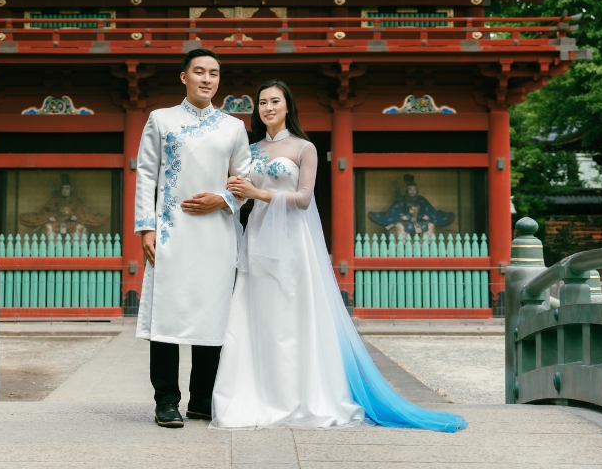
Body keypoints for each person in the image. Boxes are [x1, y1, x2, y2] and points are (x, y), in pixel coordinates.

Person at [213, 79, 468, 432]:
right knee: (257, 312)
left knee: (292, 313)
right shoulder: (250, 148)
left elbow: (303, 199)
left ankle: (300, 397)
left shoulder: (304, 148)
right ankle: (256, 396)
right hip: (256, 236)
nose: (268, 108)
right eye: (262, 103)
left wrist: (258, 191)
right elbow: (241, 194)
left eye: (275, 101)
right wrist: (235, 193)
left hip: (292, 240)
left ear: (288, 107)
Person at [133, 48, 253, 428]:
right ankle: (166, 400)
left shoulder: (233, 127)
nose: (207, 79)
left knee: (212, 315)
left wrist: (223, 198)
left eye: (213, 73)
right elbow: (146, 175)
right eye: (199, 72)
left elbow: (244, 180)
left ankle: (202, 399)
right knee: (167, 314)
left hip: (217, 232)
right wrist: (146, 227)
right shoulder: (160, 119)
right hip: (171, 231)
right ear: (183, 77)